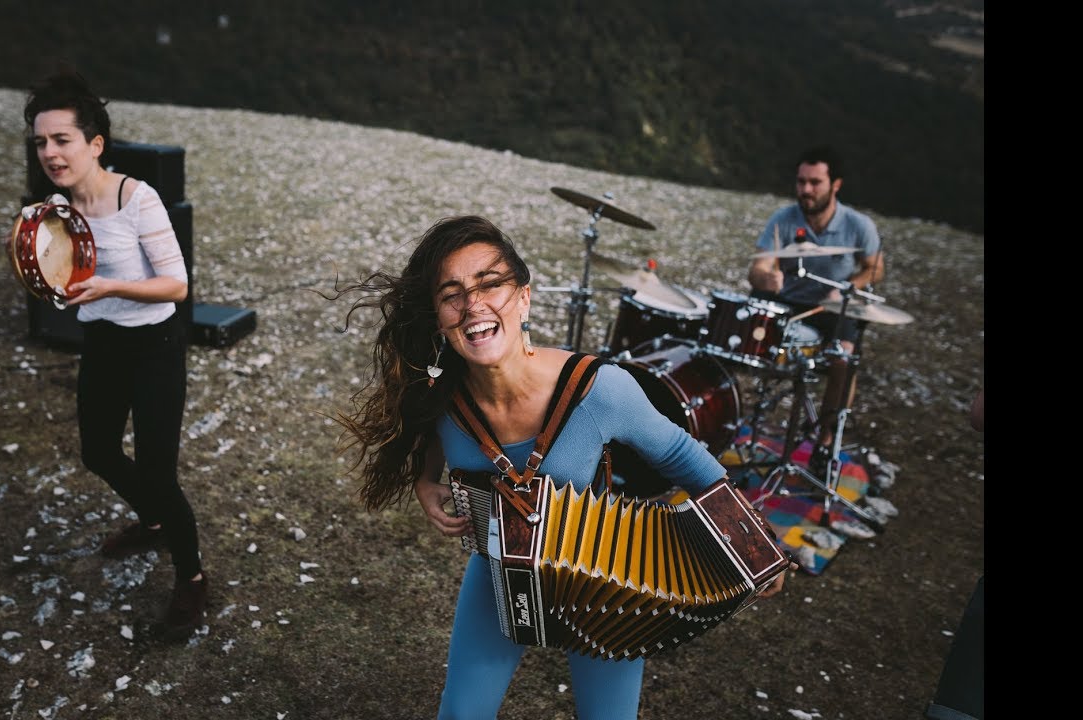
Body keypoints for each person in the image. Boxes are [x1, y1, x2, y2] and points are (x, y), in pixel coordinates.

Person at [335, 215, 791, 719]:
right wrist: (425, 481)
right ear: (439, 318)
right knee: (462, 714)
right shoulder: (438, 394)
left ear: (524, 298)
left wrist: (755, 542)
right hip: (499, 570)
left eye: (490, 284)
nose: (473, 306)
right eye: (452, 294)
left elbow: (681, 455)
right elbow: (425, 432)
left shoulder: (599, 388)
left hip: (610, 580)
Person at [22, 66, 208, 638]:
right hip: (103, 341)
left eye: (62, 139)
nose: (50, 153)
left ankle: (192, 578)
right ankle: (152, 522)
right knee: (99, 452)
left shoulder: (136, 197)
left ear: (95, 144)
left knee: (157, 472)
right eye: (41, 142)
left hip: (155, 345)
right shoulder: (57, 208)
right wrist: (26, 250)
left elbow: (177, 286)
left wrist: (110, 287)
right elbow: (56, 279)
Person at [747, 145, 885, 470]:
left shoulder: (859, 225)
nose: (806, 190)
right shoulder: (783, 219)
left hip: (834, 307)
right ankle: (732, 419)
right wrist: (766, 278)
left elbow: (875, 268)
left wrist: (850, 286)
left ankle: (825, 441)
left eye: (815, 183)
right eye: (801, 182)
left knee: (844, 357)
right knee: (739, 338)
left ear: (835, 185)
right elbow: (757, 268)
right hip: (787, 304)